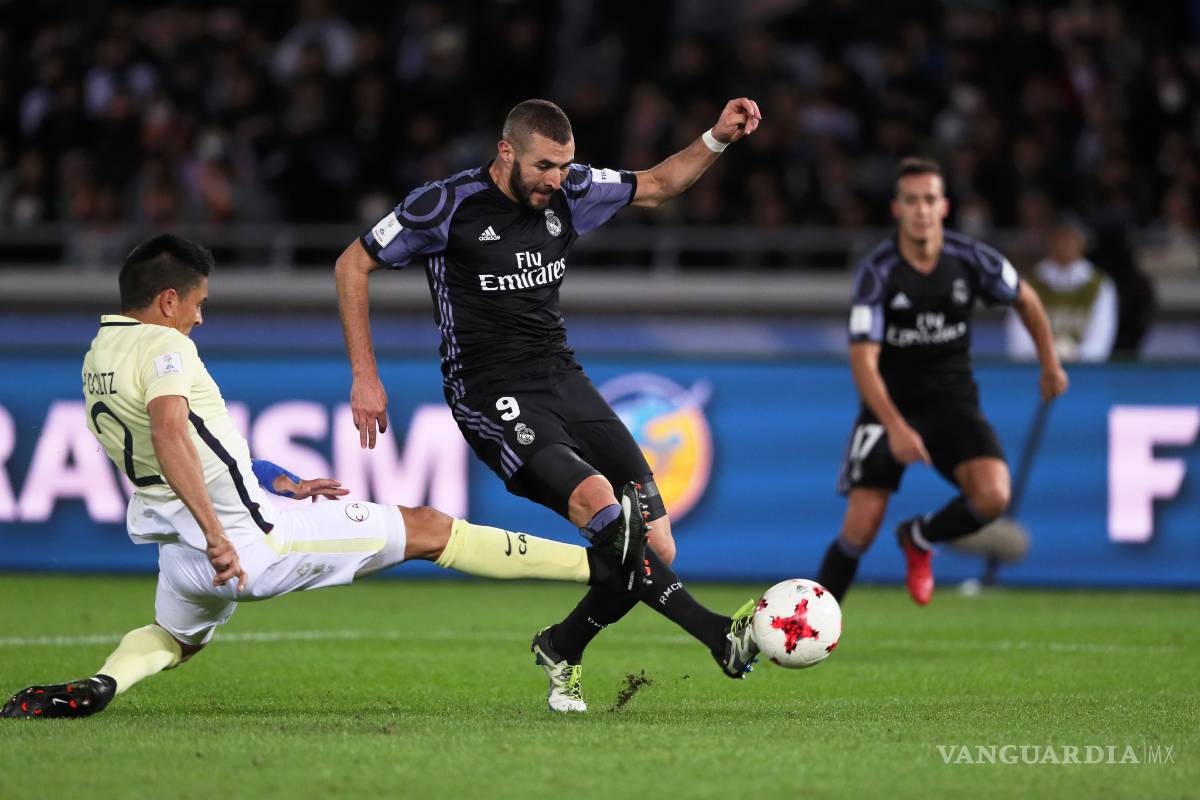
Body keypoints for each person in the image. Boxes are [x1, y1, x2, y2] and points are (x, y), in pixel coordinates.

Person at [2, 235, 641, 720]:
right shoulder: (168, 347)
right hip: (244, 542)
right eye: (198, 304)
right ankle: (609, 566)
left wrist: (279, 480)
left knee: (175, 637)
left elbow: (191, 445)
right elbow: (171, 434)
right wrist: (221, 535)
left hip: (181, 552)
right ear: (169, 300)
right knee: (428, 528)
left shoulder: (100, 354)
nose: (199, 318)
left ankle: (102, 684)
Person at [336, 97, 764, 712]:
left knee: (657, 548)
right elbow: (351, 265)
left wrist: (717, 137)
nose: (556, 180)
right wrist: (364, 375)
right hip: (488, 391)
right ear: (505, 152)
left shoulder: (573, 190)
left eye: (564, 166)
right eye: (543, 166)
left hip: (562, 378)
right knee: (600, 506)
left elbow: (659, 184)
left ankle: (562, 646)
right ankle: (718, 635)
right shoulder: (443, 205)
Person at [817, 157, 1069, 605]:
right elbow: (862, 361)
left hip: (952, 402)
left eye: (929, 199)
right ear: (896, 208)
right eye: (911, 200)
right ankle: (809, 624)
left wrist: (1050, 364)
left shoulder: (970, 259)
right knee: (860, 528)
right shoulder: (878, 272)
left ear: (944, 206)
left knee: (993, 496)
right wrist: (896, 427)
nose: (921, 210)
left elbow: (1026, 299)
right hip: (888, 405)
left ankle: (920, 537)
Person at [1005, 222, 1117, 362]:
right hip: (1036, 366)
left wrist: (1075, 356)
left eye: (1069, 241)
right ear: (1049, 244)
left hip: (1084, 368)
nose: (1063, 246)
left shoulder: (1099, 285)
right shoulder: (1028, 284)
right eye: (1058, 240)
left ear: (1081, 245)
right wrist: (1048, 357)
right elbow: (1018, 341)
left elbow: (1100, 340)